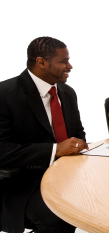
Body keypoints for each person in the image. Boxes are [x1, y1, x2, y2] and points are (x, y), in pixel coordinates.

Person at [0, 37, 88, 233]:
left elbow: (78, 134)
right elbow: (2, 151)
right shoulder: (4, 94)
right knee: (61, 217)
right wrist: (55, 150)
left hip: (65, 173)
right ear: (41, 62)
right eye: (63, 61)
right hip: (21, 181)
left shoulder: (67, 92)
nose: (70, 66)